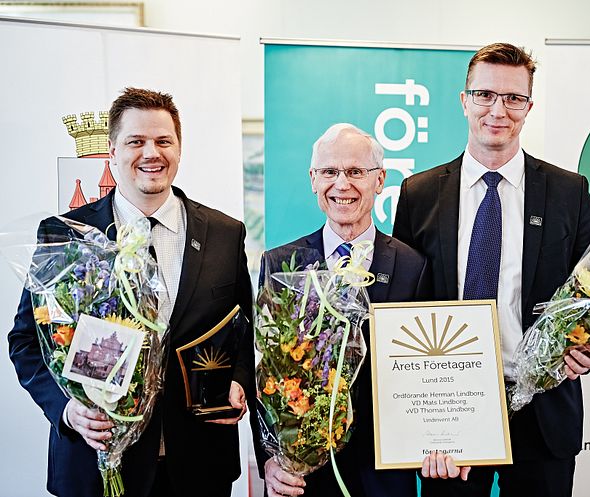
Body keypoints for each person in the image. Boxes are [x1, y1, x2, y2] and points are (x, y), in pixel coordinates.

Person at [8, 87, 259, 497]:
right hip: (97, 463)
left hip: (199, 464)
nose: (151, 153)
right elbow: (26, 342)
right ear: (111, 150)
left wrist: (240, 380)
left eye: (163, 141)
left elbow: (243, 331)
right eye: (135, 142)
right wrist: (68, 410)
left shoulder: (225, 234)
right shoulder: (65, 236)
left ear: (179, 148)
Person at [392, 43, 590, 497]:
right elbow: (405, 306)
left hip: (543, 407)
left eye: (513, 98)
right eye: (485, 95)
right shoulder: (419, 193)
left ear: (529, 107)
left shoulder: (569, 191)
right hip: (448, 409)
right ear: (464, 100)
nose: (498, 110)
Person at [258, 123, 430, 497]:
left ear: (380, 180)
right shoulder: (279, 264)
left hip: (385, 471)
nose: (342, 184)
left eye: (355, 172)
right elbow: (264, 369)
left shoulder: (414, 266)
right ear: (313, 180)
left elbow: (425, 368)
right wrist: (270, 459)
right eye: (329, 172)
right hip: (302, 473)